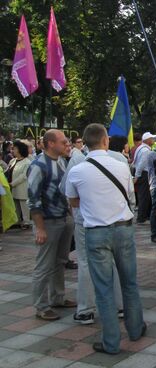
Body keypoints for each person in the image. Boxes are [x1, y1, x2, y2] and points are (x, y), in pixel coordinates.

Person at [65, 124, 145, 354]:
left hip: (96, 231)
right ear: (105, 141)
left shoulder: (78, 170)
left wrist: (93, 202)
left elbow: (73, 201)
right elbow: (130, 194)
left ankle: (111, 342)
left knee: (103, 288)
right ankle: (135, 328)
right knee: (129, 282)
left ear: (85, 142)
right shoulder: (121, 166)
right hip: (123, 229)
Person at [27, 129, 76, 321]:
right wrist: (39, 227)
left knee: (60, 261)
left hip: (63, 219)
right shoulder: (39, 165)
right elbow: (33, 199)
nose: (67, 145)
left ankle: (58, 297)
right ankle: (41, 305)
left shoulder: (62, 162)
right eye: (63, 142)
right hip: (47, 221)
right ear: (50, 144)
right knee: (44, 264)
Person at [133, 132, 156, 223]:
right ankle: (141, 218)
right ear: (147, 140)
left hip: (142, 174)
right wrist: (137, 176)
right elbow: (141, 164)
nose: (153, 140)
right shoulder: (146, 150)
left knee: (144, 196)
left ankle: (144, 216)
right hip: (144, 174)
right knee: (144, 196)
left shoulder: (141, 148)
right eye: (152, 139)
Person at [8, 140, 31, 229]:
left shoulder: (27, 162)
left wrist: (12, 184)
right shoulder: (13, 161)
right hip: (12, 188)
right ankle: (16, 221)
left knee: (24, 205)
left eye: (15, 148)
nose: (13, 150)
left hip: (21, 187)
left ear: (20, 150)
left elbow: (24, 176)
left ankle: (26, 222)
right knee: (15, 205)